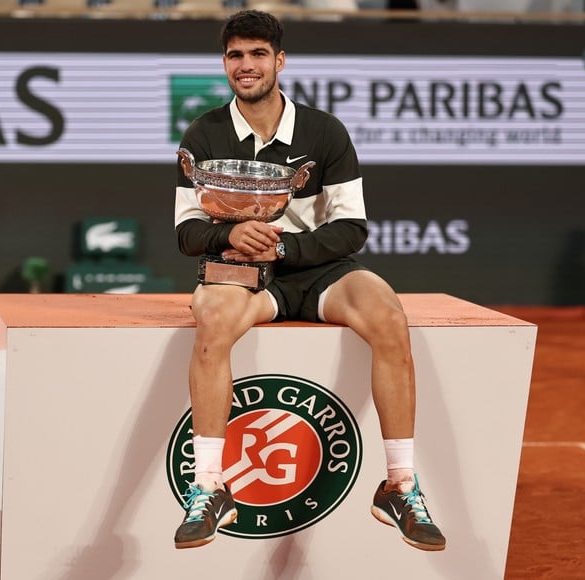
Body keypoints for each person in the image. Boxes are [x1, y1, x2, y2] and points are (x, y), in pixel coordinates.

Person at [172, 9, 446, 552]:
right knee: (213, 321)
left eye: (256, 54)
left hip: (318, 268)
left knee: (390, 318)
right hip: (245, 273)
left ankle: (400, 485)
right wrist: (229, 234)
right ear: (224, 64)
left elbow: (351, 226)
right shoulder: (204, 132)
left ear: (279, 60)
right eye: (234, 56)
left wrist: (288, 245)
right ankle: (209, 486)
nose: (245, 66)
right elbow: (186, 231)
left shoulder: (323, 131)